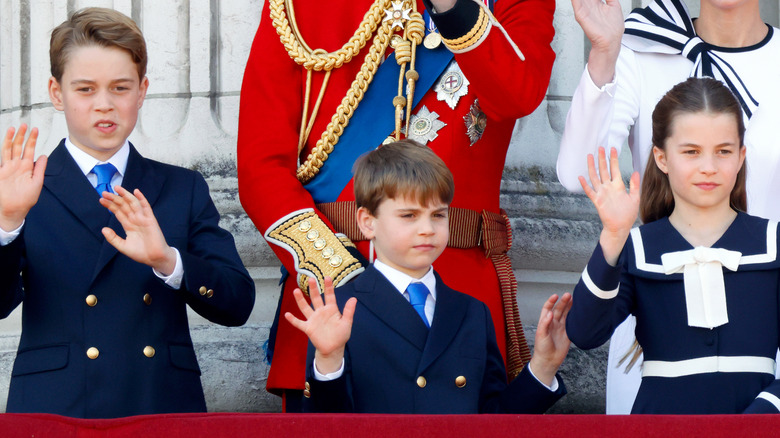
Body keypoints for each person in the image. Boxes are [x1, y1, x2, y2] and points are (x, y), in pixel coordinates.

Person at [238, 0, 556, 409]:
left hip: (456, 300)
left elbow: (518, 93)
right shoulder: (296, 7)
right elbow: (260, 168)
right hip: (333, 298)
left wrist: (451, 7)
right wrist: (341, 276)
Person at [0, 8, 256, 418]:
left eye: (120, 87)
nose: (104, 105)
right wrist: (7, 225)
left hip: (158, 403)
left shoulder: (181, 188)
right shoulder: (21, 188)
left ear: (142, 91)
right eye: (85, 89)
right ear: (56, 92)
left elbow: (238, 304)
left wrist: (167, 260)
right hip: (56, 408)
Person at [556, 0, 780, 413]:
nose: (708, 166)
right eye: (691, 151)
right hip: (649, 333)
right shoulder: (640, 50)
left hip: (764, 338)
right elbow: (578, 174)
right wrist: (605, 54)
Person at [284, 140, 570, 413]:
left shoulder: (472, 312)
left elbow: (494, 420)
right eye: (409, 216)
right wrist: (329, 359)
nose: (427, 229)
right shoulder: (341, 309)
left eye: (438, 215)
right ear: (367, 222)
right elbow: (326, 424)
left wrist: (543, 366)